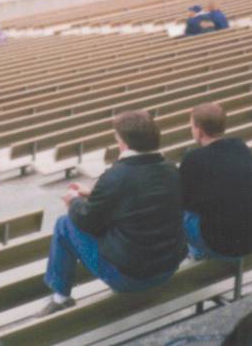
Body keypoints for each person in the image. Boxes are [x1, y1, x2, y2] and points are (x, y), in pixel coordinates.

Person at [40, 111, 186, 315]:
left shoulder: (117, 175)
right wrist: (92, 194)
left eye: (118, 140)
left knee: (64, 224)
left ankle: (61, 297)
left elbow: (87, 221)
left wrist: (74, 201)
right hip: (167, 268)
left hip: (130, 277)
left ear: (124, 143)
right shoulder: (171, 169)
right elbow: (136, 199)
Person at [179, 103, 252, 260]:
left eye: (192, 127)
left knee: (177, 213)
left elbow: (183, 202)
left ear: (199, 130)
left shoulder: (193, 159)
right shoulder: (241, 147)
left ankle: (198, 251)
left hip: (221, 246)